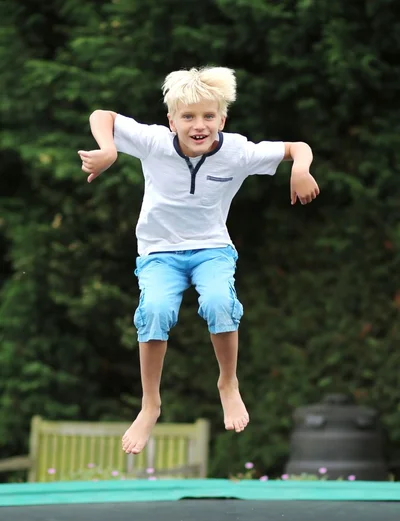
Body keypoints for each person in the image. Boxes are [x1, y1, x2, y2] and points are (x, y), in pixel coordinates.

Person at [78, 66, 320, 455]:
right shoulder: (154, 142)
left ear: (222, 120)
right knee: (154, 309)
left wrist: (301, 168)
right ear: (171, 121)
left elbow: (298, 147)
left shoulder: (237, 150)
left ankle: (228, 383)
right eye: (188, 117)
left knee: (220, 303)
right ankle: (150, 404)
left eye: (208, 116)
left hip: (211, 248)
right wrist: (108, 149)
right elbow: (101, 116)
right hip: (159, 252)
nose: (199, 125)